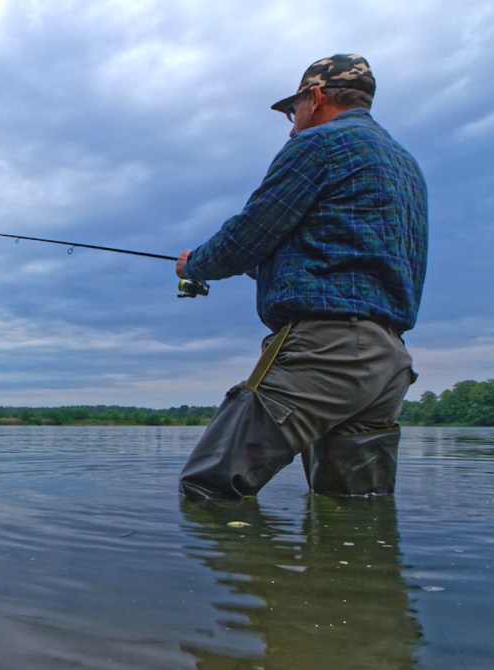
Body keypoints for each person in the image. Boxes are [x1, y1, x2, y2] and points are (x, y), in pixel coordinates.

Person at [175, 54, 428, 501]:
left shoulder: (318, 145)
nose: (291, 126)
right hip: (388, 361)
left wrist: (193, 265)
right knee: (353, 509)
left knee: (209, 487)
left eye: (293, 112)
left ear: (315, 97)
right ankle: (350, 572)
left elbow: (247, 235)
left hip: (325, 353)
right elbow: (344, 253)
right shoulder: (408, 167)